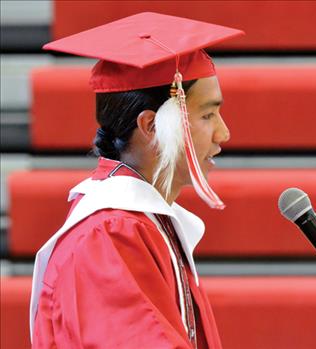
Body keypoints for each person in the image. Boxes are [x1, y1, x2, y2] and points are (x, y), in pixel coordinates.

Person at [29, 12, 244, 348]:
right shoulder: (109, 233)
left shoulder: (142, 222)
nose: (224, 133)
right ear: (151, 127)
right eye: (207, 115)